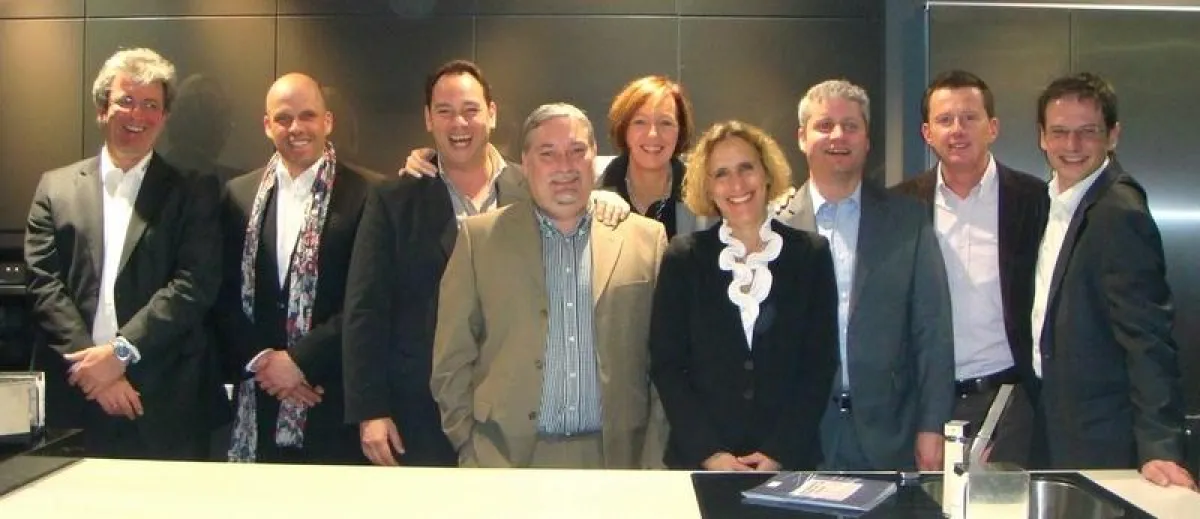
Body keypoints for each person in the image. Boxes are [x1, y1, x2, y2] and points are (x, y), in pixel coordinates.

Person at [430, 103, 668, 468]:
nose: (565, 166)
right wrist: (470, 447)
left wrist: (652, 459)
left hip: (618, 462)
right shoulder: (479, 241)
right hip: (504, 462)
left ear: (594, 157)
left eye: (577, 151)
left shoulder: (647, 240)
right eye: (548, 154)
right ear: (525, 164)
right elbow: (451, 359)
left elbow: (667, 363)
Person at [25, 47, 223, 459]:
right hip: (73, 394)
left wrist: (119, 354)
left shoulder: (192, 190)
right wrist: (94, 372)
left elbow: (193, 284)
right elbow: (43, 283)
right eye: (126, 101)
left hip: (163, 398)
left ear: (164, 117)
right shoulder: (54, 188)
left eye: (151, 105)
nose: (138, 115)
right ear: (102, 109)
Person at [342, 60, 527, 467]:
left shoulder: (531, 191)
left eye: (470, 110)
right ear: (428, 118)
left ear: (492, 113)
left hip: (518, 411)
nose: (458, 123)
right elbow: (365, 309)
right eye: (444, 111)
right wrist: (370, 410)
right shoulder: (394, 199)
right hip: (420, 414)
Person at [776, 79, 954, 471]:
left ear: (867, 139)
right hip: (798, 436)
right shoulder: (773, 226)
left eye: (851, 126)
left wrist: (933, 426)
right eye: (825, 125)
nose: (838, 136)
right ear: (802, 137)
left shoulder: (908, 220)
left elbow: (932, 330)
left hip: (891, 436)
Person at [1028, 72, 1195, 490]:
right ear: (1042, 137)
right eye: (1060, 132)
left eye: (1088, 132)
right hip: (1054, 422)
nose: (1072, 145)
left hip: (1103, 438)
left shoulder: (1118, 211)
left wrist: (1160, 446)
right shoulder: (1050, 202)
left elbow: (1148, 337)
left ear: (1113, 136)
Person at [650, 120, 838, 471]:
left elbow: (819, 364)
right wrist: (710, 454)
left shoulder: (810, 254)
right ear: (708, 187)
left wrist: (780, 452)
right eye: (721, 174)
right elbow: (668, 366)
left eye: (746, 168)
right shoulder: (683, 258)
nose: (736, 184)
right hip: (702, 463)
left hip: (789, 461)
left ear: (766, 173)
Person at [215, 73, 375, 463]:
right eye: (284, 118)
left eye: (308, 116)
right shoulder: (237, 194)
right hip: (259, 397)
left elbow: (368, 300)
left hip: (331, 400)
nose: (296, 128)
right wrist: (265, 363)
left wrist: (301, 362)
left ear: (328, 121)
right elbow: (221, 291)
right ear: (267, 125)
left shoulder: (369, 194)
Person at [892, 70, 1046, 465]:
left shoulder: (1034, 200)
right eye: (945, 120)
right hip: (925, 405)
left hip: (1011, 403)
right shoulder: (899, 207)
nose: (957, 130)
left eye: (969, 117)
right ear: (927, 133)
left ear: (992, 127)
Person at [595, 75, 708, 238]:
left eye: (666, 123)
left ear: (680, 131)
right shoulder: (592, 193)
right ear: (624, 128)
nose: (653, 134)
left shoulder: (705, 197)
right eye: (640, 122)